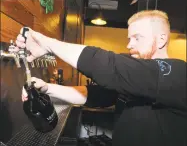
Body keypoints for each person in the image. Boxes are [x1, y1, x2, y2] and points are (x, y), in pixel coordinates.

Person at [16, 10, 187, 146]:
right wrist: (48, 88)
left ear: (162, 39)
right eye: (129, 38)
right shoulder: (133, 80)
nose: (129, 44)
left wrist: (47, 43)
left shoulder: (178, 73)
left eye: (137, 38)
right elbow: (94, 95)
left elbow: (110, 67)